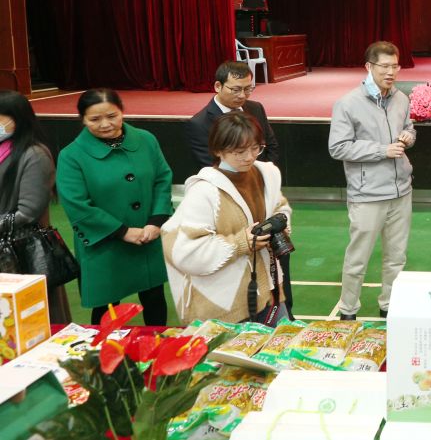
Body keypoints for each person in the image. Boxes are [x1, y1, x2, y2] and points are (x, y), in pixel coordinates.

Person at [56, 89, 173, 326]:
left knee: (154, 297)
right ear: (82, 119)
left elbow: (162, 179)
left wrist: (156, 221)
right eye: (94, 119)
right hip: (104, 242)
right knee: (105, 308)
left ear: (122, 112)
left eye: (112, 116)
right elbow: (77, 204)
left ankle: (158, 343)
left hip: (147, 235)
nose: (105, 124)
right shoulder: (71, 155)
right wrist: (122, 231)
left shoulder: (146, 140)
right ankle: (102, 348)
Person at [162, 112, 292, 324]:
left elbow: (280, 206)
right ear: (218, 150)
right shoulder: (205, 191)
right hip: (225, 303)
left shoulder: (267, 174)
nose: (249, 157)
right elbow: (186, 253)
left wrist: (280, 224)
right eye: (239, 151)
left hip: (269, 291)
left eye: (256, 148)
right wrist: (241, 243)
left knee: (280, 342)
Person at [186, 60, 292, 317]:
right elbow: (212, 167)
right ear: (218, 86)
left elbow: (271, 147)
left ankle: (284, 312)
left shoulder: (255, 108)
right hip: (231, 212)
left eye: (248, 89)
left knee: (279, 269)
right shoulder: (199, 123)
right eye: (235, 89)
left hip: (262, 200)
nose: (242, 95)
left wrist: (262, 180)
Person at [328, 41, 415, 320]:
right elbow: (338, 147)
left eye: (395, 66)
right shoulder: (348, 103)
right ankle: (348, 310)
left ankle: (389, 305)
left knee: (397, 257)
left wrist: (408, 137)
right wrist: (382, 150)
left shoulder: (401, 99)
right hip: (367, 195)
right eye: (384, 66)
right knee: (358, 259)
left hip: (401, 191)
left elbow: (409, 128)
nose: (391, 72)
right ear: (368, 67)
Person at [0, 91, 71, 323]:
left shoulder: (34, 154)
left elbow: (28, 212)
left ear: (18, 118)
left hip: (21, 251)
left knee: (31, 318)